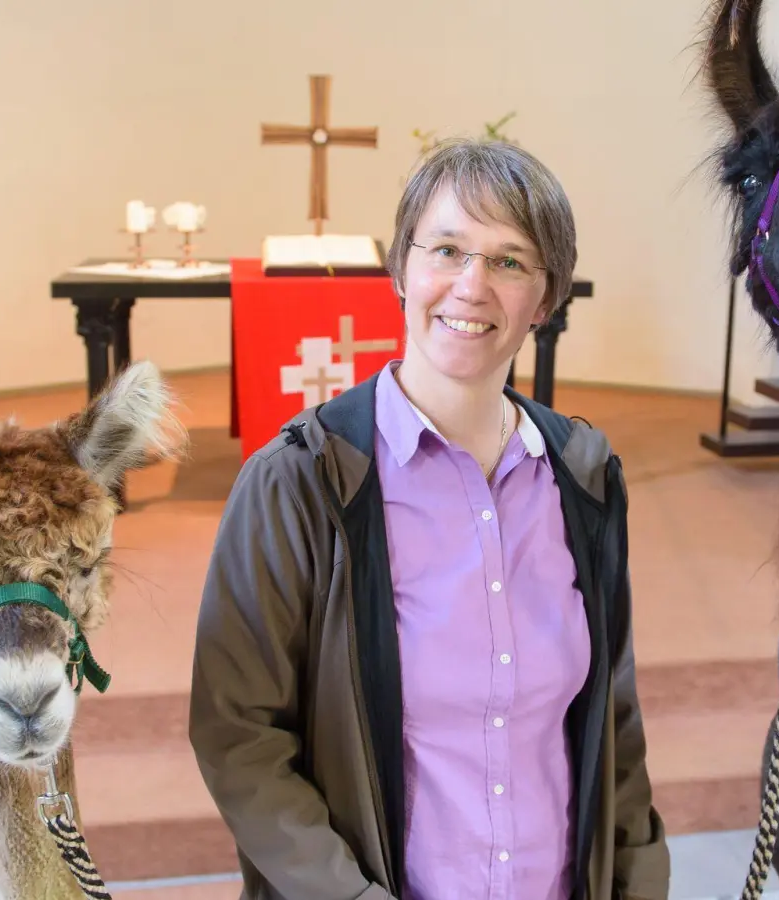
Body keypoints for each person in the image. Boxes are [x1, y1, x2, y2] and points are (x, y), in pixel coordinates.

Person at [189, 138, 668, 900]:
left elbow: (614, 716)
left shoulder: (582, 478)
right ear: (401, 271)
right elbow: (238, 737)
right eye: (447, 249)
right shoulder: (298, 482)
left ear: (545, 300)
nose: (471, 286)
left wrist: (639, 882)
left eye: (510, 261)